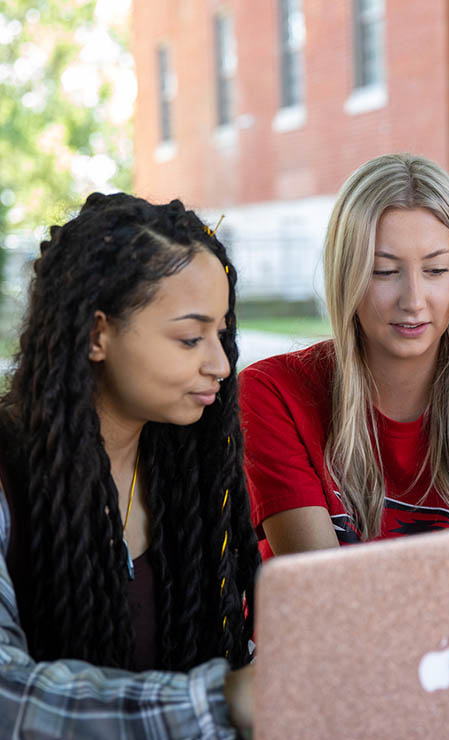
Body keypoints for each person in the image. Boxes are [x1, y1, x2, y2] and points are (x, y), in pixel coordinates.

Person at [0, 192, 259, 735]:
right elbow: (8, 693)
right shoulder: (8, 473)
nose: (221, 364)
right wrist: (220, 701)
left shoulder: (191, 466)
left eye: (222, 333)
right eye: (191, 338)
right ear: (98, 334)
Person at [239, 152, 449, 560]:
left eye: (436, 271)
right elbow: (324, 592)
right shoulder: (275, 392)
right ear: (348, 276)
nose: (413, 300)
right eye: (384, 271)